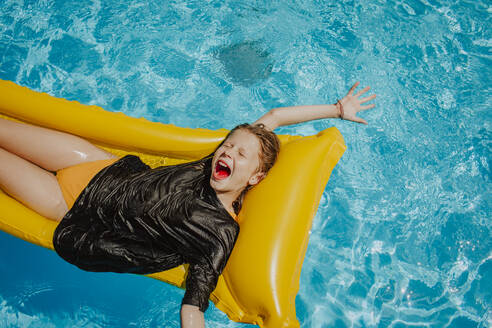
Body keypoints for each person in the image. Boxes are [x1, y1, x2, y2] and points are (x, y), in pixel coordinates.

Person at [0, 82, 375, 327]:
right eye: (228, 145)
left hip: (69, 205)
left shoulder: (220, 232)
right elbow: (274, 118)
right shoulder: (205, 169)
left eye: (240, 154)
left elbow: (194, 305)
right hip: (94, 163)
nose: (227, 152)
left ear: (256, 177)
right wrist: (336, 108)